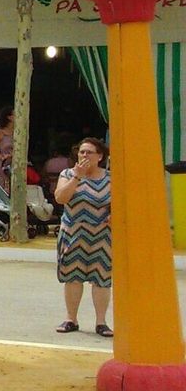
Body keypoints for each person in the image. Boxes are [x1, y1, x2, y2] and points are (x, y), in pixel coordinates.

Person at [53, 138, 113, 337]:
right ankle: (71, 318)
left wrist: (115, 215)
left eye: (89, 153)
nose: (85, 156)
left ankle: (101, 322)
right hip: (73, 233)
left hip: (102, 235)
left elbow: (121, 203)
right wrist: (76, 177)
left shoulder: (110, 179)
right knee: (73, 276)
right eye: (82, 152)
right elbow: (61, 198)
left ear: (100, 156)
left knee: (101, 278)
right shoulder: (68, 174)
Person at [0, 107, 16, 187]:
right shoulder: (0, 132)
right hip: (4, 165)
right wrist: (2, 157)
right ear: (9, 117)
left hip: (16, 163)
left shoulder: (17, 132)